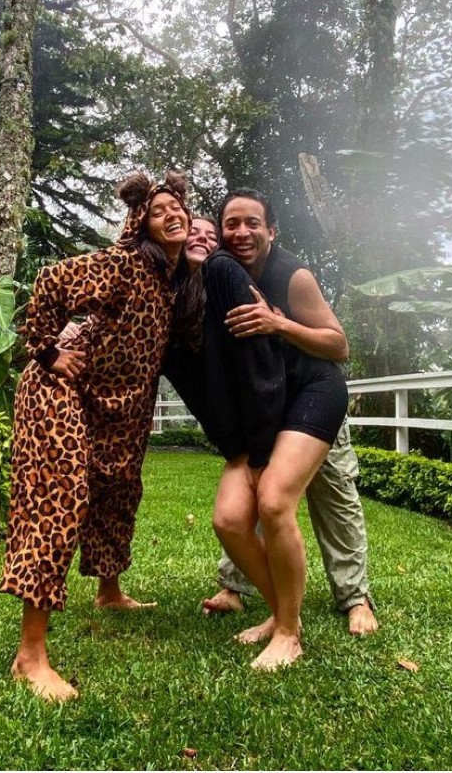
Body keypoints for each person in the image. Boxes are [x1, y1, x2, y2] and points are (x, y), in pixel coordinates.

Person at [1, 171, 202, 702]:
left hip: (121, 405)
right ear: (141, 222)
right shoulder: (124, 263)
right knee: (60, 499)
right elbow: (49, 281)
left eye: (178, 206)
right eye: (159, 210)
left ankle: (109, 592)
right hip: (60, 389)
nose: (171, 214)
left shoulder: (175, 281)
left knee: (118, 489)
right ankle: (30, 655)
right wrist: (49, 352)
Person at [180, 213, 378, 637]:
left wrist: (279, 324)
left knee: (335, 494)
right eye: (229, 225)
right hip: (266, 404)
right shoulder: (220, 279)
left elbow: (339, 345)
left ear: (272, 230)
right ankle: (236, 586)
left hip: (313, 396)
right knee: (256, 491)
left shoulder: (292, 275)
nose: (240, 233)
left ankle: (355, 597)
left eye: (253, 223)